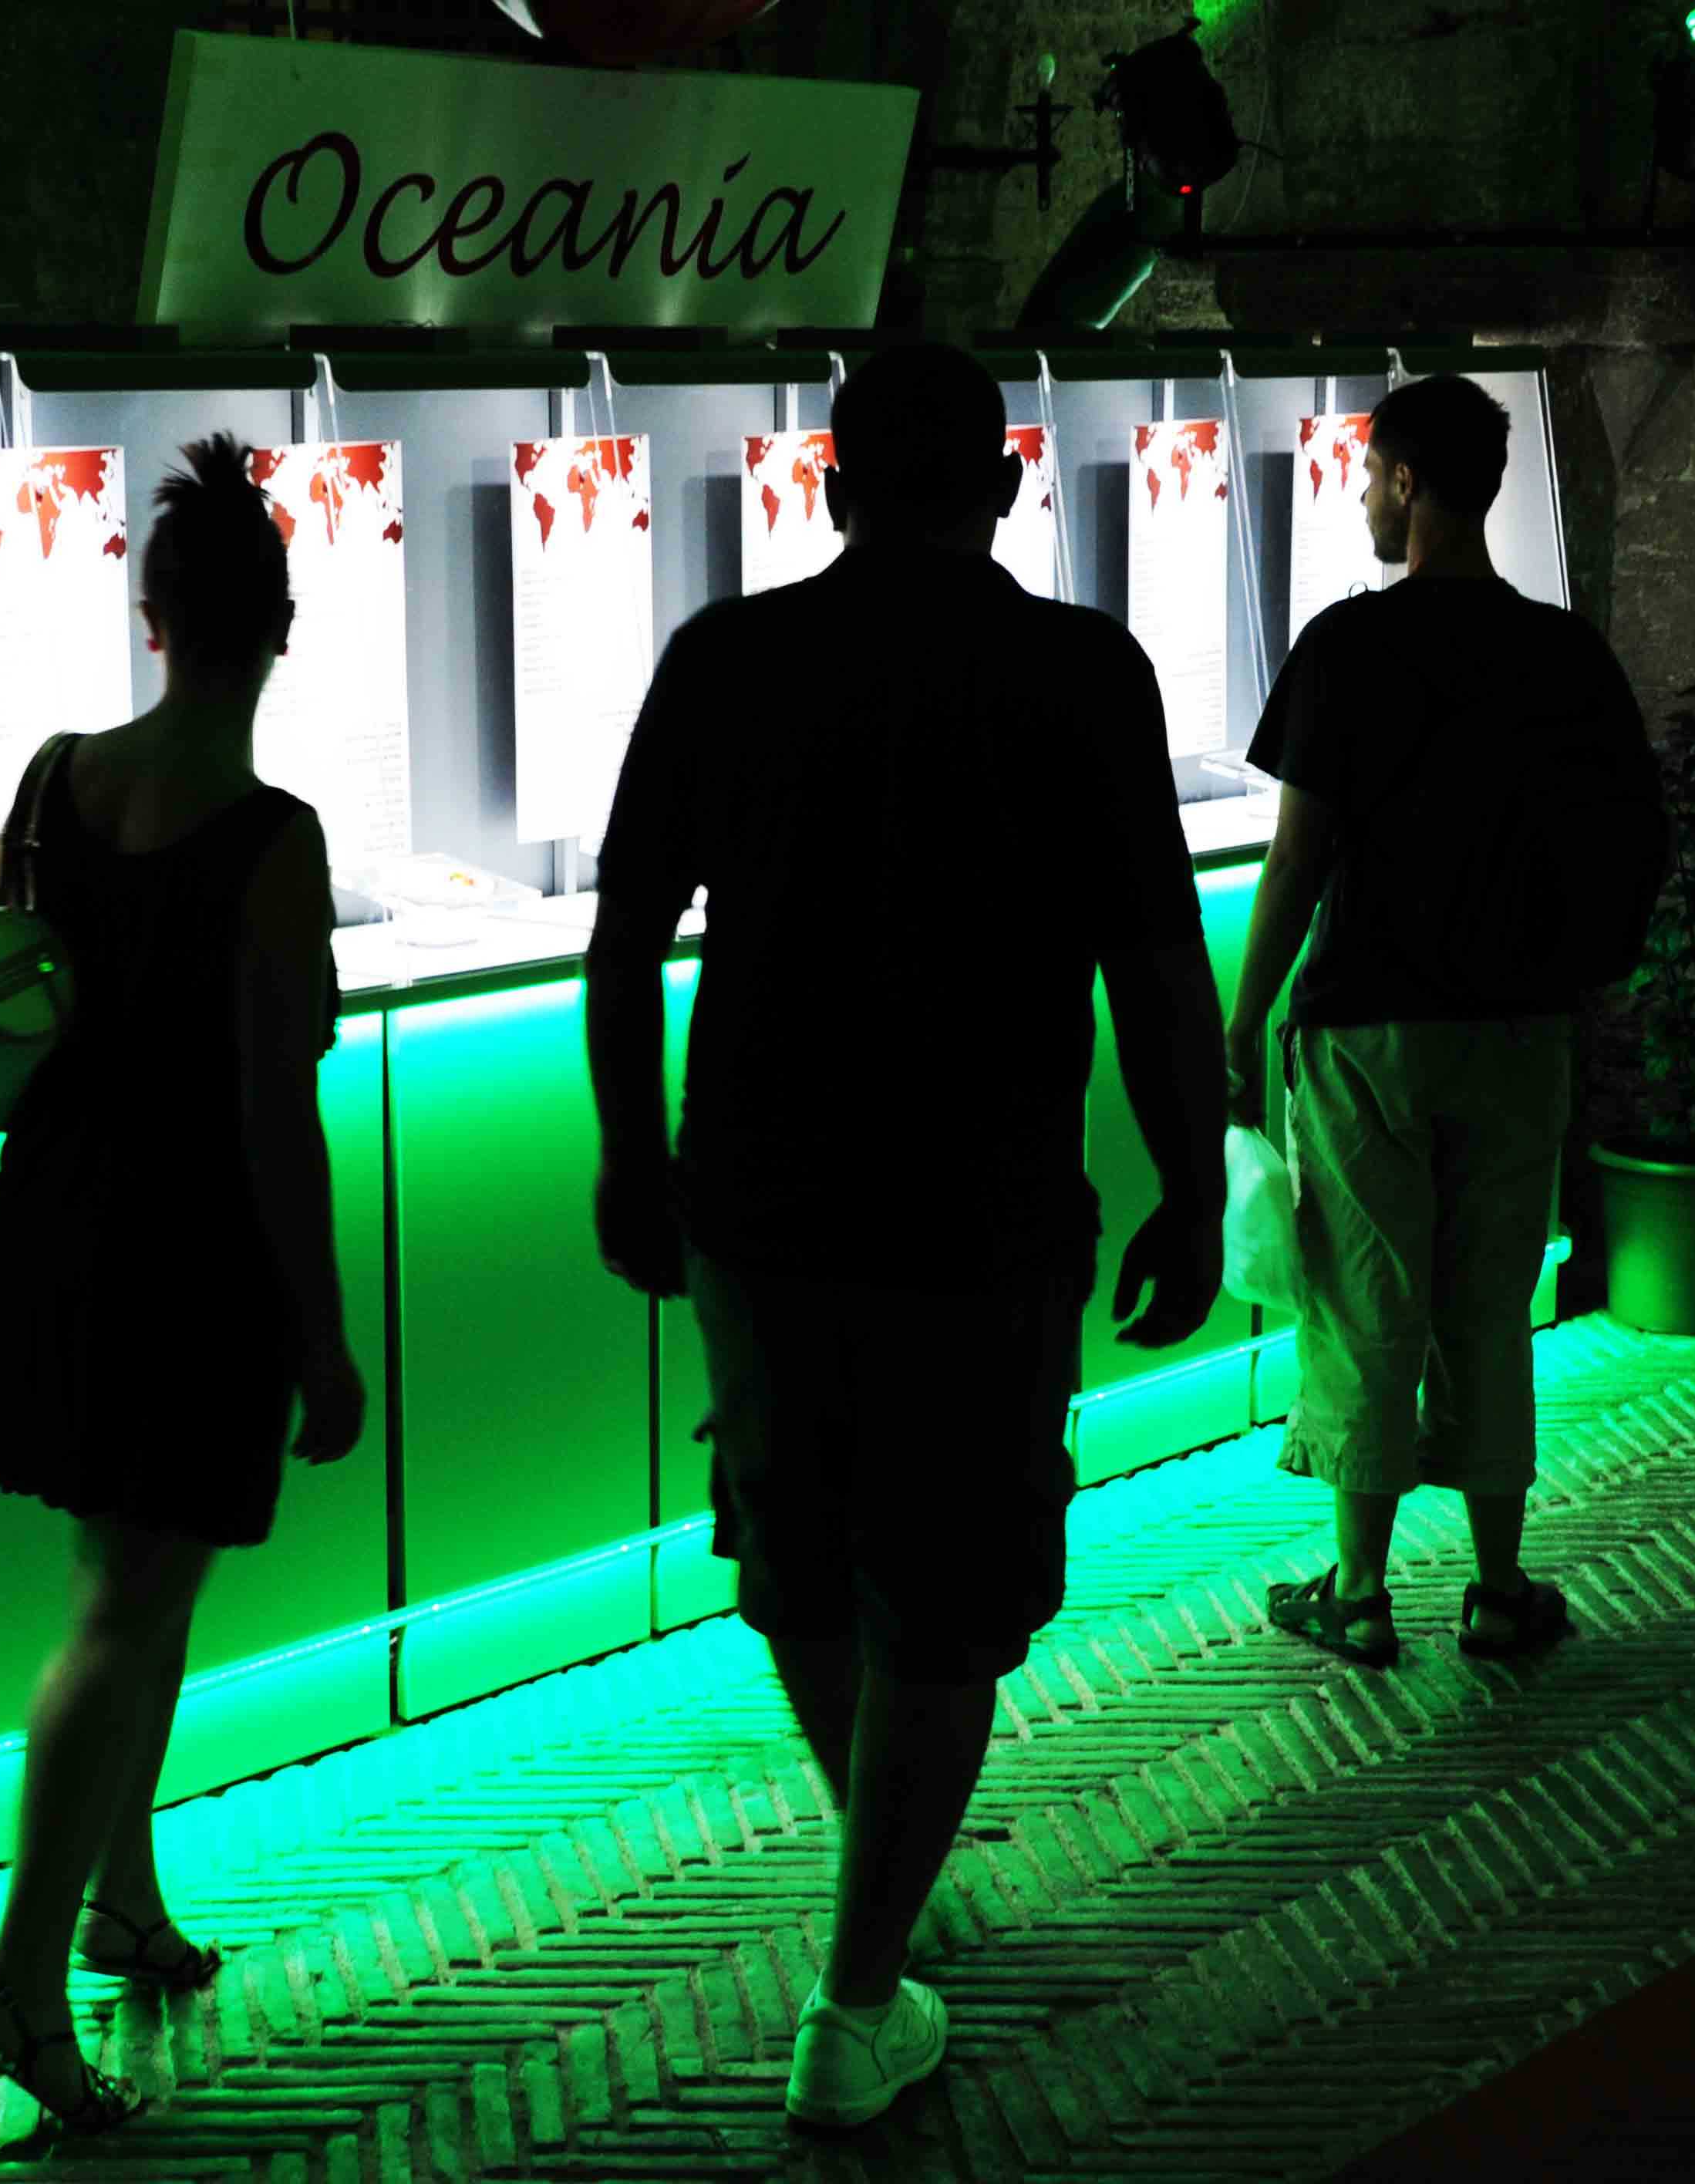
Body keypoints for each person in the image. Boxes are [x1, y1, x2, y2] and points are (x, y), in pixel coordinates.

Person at [585, 342, 1228, 2131]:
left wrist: (631, 1161)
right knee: (949, 1590)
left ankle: (875, 1884)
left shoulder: (726, 659)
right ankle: (856, 1999)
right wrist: (1191, 1184)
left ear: (828, 482)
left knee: (795, 1552)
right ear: (1005, 487)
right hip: (980, 1215)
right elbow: (1153, 961)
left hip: (757, 1203)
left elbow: (625, 933)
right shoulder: (1081, 673)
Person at [0, 434, 368, 2132]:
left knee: (136, 1590)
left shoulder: (51, 783)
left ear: (153, 620)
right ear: (281, 630)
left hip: (51, 1227)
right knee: (125, 1610)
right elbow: (277, 1112)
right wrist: (324, 1337)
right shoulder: (273, 840)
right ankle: (17, 1983)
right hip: (193, 1257)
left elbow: (1, 993)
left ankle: (121, 1901)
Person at [1224, 374, 1648, 1671]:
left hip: (1368, 1030)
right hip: (1518, 1029)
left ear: (1407, 482)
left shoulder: (1348, 647)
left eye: (1368, 475)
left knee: (1368, 1301)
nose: (1362, 497)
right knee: (1488, 1304)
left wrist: (1244, 1022)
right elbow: (1630, 838)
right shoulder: (1564, 655)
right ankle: (1499, 1589)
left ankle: (1359, 1595)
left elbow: (1297, 861)